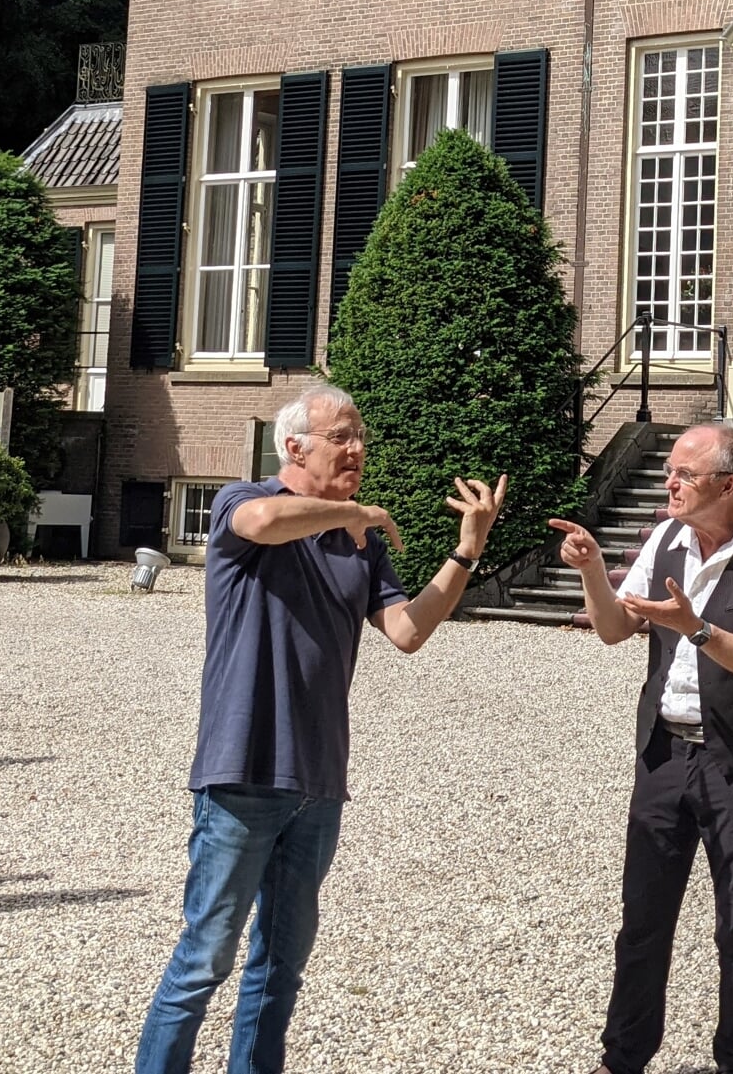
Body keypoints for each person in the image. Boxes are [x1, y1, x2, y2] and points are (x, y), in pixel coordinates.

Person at [135, 384, 506, 1074]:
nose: (358, 447)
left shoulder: (357, 543)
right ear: (294, 445)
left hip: (318, 783)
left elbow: (407, 629)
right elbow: (268, 521)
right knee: (204, 959)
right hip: (242, 773)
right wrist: (350, 510)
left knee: (281, 968)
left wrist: (466, 550)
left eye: (360, 434)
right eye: (342, 435)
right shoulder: (239, 501)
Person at [549, 424, 733, 1074]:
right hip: (664, 751)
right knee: (643, 915)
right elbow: (614, 629)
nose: (670, 482)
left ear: (728, 484)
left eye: (683, 475)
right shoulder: (663, 538)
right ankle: (623, 1056)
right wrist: (591, 575)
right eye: (669, 470)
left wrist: (694, 626)